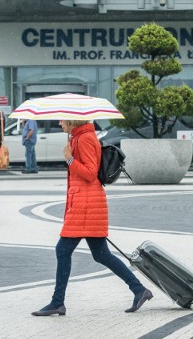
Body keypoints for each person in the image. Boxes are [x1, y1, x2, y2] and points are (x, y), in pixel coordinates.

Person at [32, 119, 153, 316]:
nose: (60, 122)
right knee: (101, 254)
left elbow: (89, 174)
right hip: (85, 203)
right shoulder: (79, 138)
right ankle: (139, 290)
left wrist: (69, 159)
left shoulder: (85, 139)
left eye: (63, 119)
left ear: (72, 120)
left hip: (86, 205)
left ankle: (57, 302)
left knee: (62, 250)